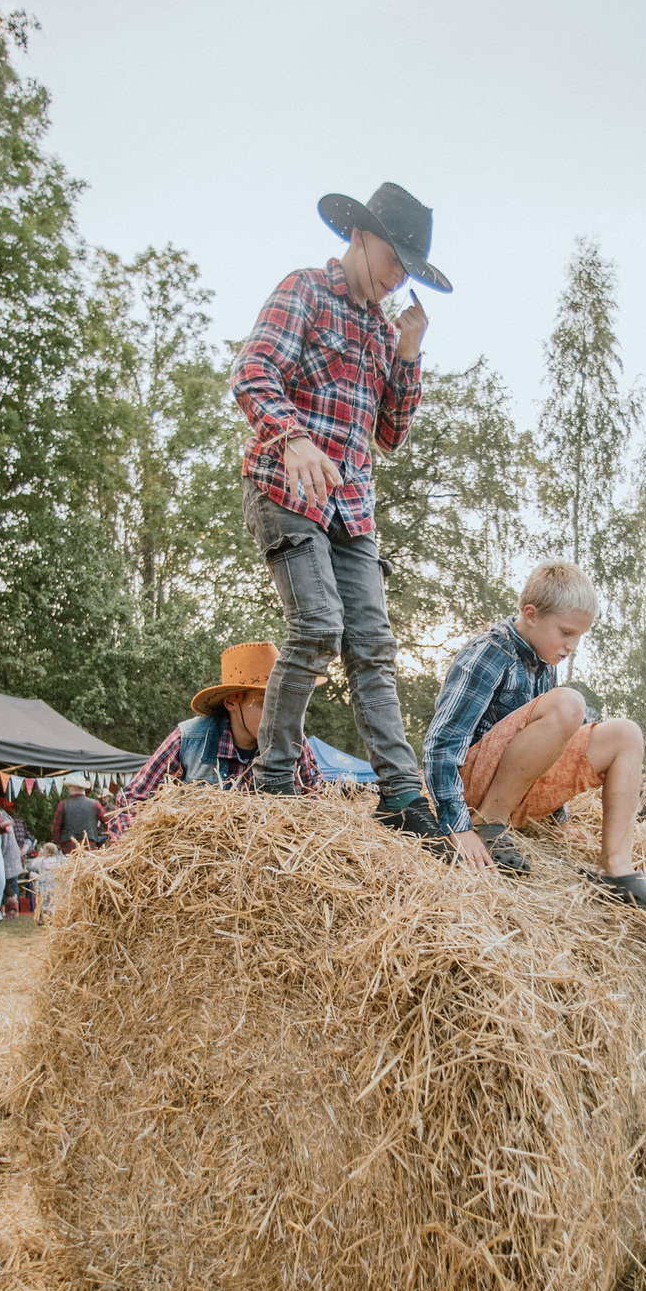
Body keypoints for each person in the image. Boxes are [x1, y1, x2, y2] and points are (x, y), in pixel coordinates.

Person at [230, 181, 451, 852]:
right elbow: (252, 371)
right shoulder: (305, 290)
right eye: (393, 259)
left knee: (373, 646)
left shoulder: (384, 331)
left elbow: (390, 433)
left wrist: (408, 354)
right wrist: (293, 437)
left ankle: (401, 793)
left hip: (351, 507)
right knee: (319, 625)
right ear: (359, 235)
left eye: (409, 270)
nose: (398, 277)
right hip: (286, 486)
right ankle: (274, 779)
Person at [424, 560, 646, 917]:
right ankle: (489, 825)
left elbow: (545, 747)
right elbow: (441, 743)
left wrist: (560, 820)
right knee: (570, 704)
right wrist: (457, 826)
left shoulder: (545, 662)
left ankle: (615, 868)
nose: (573, 645)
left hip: (514, 792)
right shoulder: (489, 651)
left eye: (580, 636)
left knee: (627, 734)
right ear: (531, 614)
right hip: (470, 793)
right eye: (567, 632)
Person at [108, 642, 326, 838]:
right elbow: (131, 802)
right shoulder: (188, 740)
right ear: (231, 702)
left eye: (284, 704)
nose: (279, 716)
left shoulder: (294, 742)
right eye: (266, 703)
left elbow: (318, 801)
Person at [53, 777, 108, 854]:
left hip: (69, 846)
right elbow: (108, 821)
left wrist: (57, 842)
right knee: (88, 862)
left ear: (71, 788)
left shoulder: (63, 805)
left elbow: (56, 828)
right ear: (83, 789)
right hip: (89, 845)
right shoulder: (95, 804)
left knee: (72, 862)